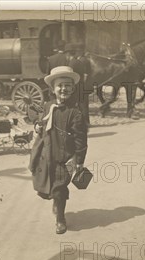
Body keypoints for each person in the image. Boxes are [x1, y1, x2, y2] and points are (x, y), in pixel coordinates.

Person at [29, 66, 88, 235]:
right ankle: (56, 201)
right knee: (46, 185)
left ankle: (60, 218)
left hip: (65, 157)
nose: (64, 89)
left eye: (68, 85)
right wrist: (38, 125)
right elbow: (39, 120)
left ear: (73, 88)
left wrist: (79, 159)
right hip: (47, 154)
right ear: (53, 89)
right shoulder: (48, 106)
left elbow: (80, 139)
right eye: (60, 85)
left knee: (60, 187)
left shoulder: (75, 112)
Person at [66, 43, 92, 126]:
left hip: (76, 86)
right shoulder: (79, 62)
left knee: (76, 104)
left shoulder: (71, 64)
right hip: (82, 85)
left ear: (68, 54)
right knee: (84, 105)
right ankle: (86, 122)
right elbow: (85, 75)